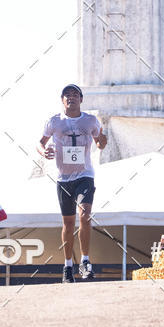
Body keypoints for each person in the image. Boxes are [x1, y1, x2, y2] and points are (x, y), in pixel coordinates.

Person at [38, 84, 107, 283]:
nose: (71, 97)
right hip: (63, 178)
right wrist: (44, 152)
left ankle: (85, 261)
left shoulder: (90, 120)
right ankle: (68, 266)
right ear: (62, 100)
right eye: (67, 95)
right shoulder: (54, 121)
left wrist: (102, 138)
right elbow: (40, 142)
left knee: (85, 216)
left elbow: (100, 143)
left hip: (85, 175)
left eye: (75, 94)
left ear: (81, 99)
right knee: (68, 224)